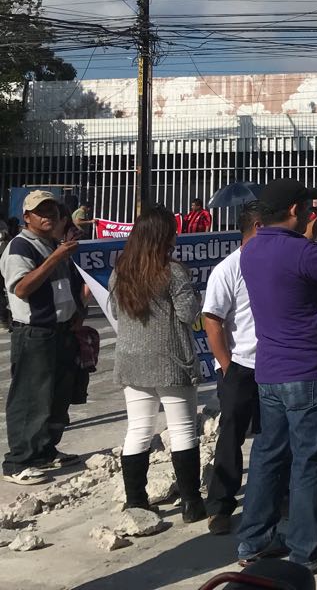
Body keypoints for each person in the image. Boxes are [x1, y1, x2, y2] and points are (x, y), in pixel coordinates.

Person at [237, 177, 317, 574]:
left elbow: (298, 258)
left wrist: (312, 226)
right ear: (295, 211)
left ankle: (254, 540)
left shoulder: (252, 249)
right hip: (308, 373)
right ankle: (309, 549)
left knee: (267, 458)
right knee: (309, 463)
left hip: (271, 373)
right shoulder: (302, 254)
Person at [111, 205, 206, 522]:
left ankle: (136, 501)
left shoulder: (120, 270)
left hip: (131, 361)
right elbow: (188, 314)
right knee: (182, 430)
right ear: (165, 236)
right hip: (169, 360)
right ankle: (192, 503)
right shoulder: (173, 271)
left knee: (138, 429)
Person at [1, 191, 85, 486]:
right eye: (41, 212)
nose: (48, 216)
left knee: (58, 396)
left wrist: (79, 311)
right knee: (30, 398)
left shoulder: (55, 245)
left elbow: (69, 284)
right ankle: (18, 461)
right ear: (27, 217)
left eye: (52, 211)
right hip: (35, 332)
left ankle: (46, 449)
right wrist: (55, 258)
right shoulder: (20, 247)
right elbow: (22, 288)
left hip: (61, 330)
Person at [203, 204, 263, 535]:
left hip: (273, 366)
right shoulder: (228, 269)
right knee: (231, 437)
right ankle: (221, 506)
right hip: (239, 367)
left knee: (273, 437)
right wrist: (227, 366)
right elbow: (212, 320)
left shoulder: (271, 263)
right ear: (257, 226)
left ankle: (274, 495)